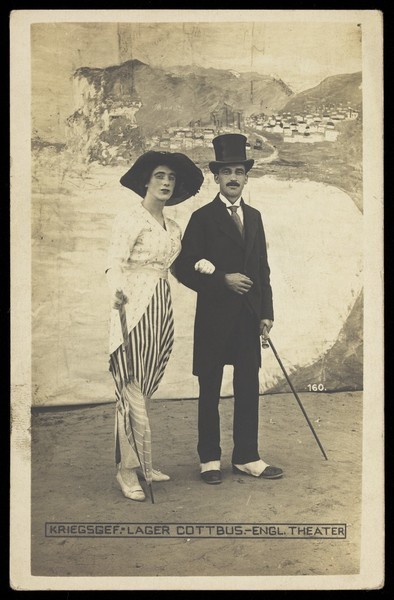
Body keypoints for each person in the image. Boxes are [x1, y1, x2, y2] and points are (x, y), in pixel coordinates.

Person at [174, 133, 283, 485]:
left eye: (239, 171)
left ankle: (247, 457)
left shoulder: (255, 216)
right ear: (216, 177)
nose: (233, 177)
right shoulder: (202, 217)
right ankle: (209, 459)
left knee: (248, 386)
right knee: (209, 387)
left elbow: (262, 268)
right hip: (214, 318)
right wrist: (222, 279)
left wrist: (266, 312)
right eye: (226, 172)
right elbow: (183, 266)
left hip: (249, 317)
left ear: (246, 177)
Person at [106, 151, 204, 501]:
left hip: (161, 307)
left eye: (171, 179)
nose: (165, 182)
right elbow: (114, 263)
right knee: (130, 387)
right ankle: (126, 471)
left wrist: (204, 264)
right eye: (160, 176)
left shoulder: (173, 227)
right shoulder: (129, 219)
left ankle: (144, 463)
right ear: (146, 181)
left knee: (144, 390)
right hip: (132, 307)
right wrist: (115, 292)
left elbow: (180, 264)